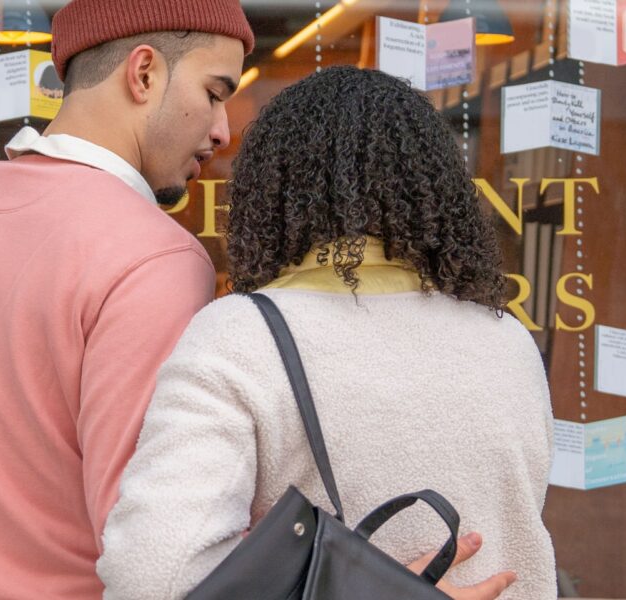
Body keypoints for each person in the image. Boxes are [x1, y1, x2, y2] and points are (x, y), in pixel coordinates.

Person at [96, 66, 557, 600]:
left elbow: (153, 577)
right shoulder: (508, 343)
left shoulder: (243, 338)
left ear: (273, 192)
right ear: (436, 189)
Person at [0, 1, 252, 597]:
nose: (222, 128)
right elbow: (156, 539)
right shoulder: (154, 260)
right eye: (215, 91)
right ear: (143, 74)